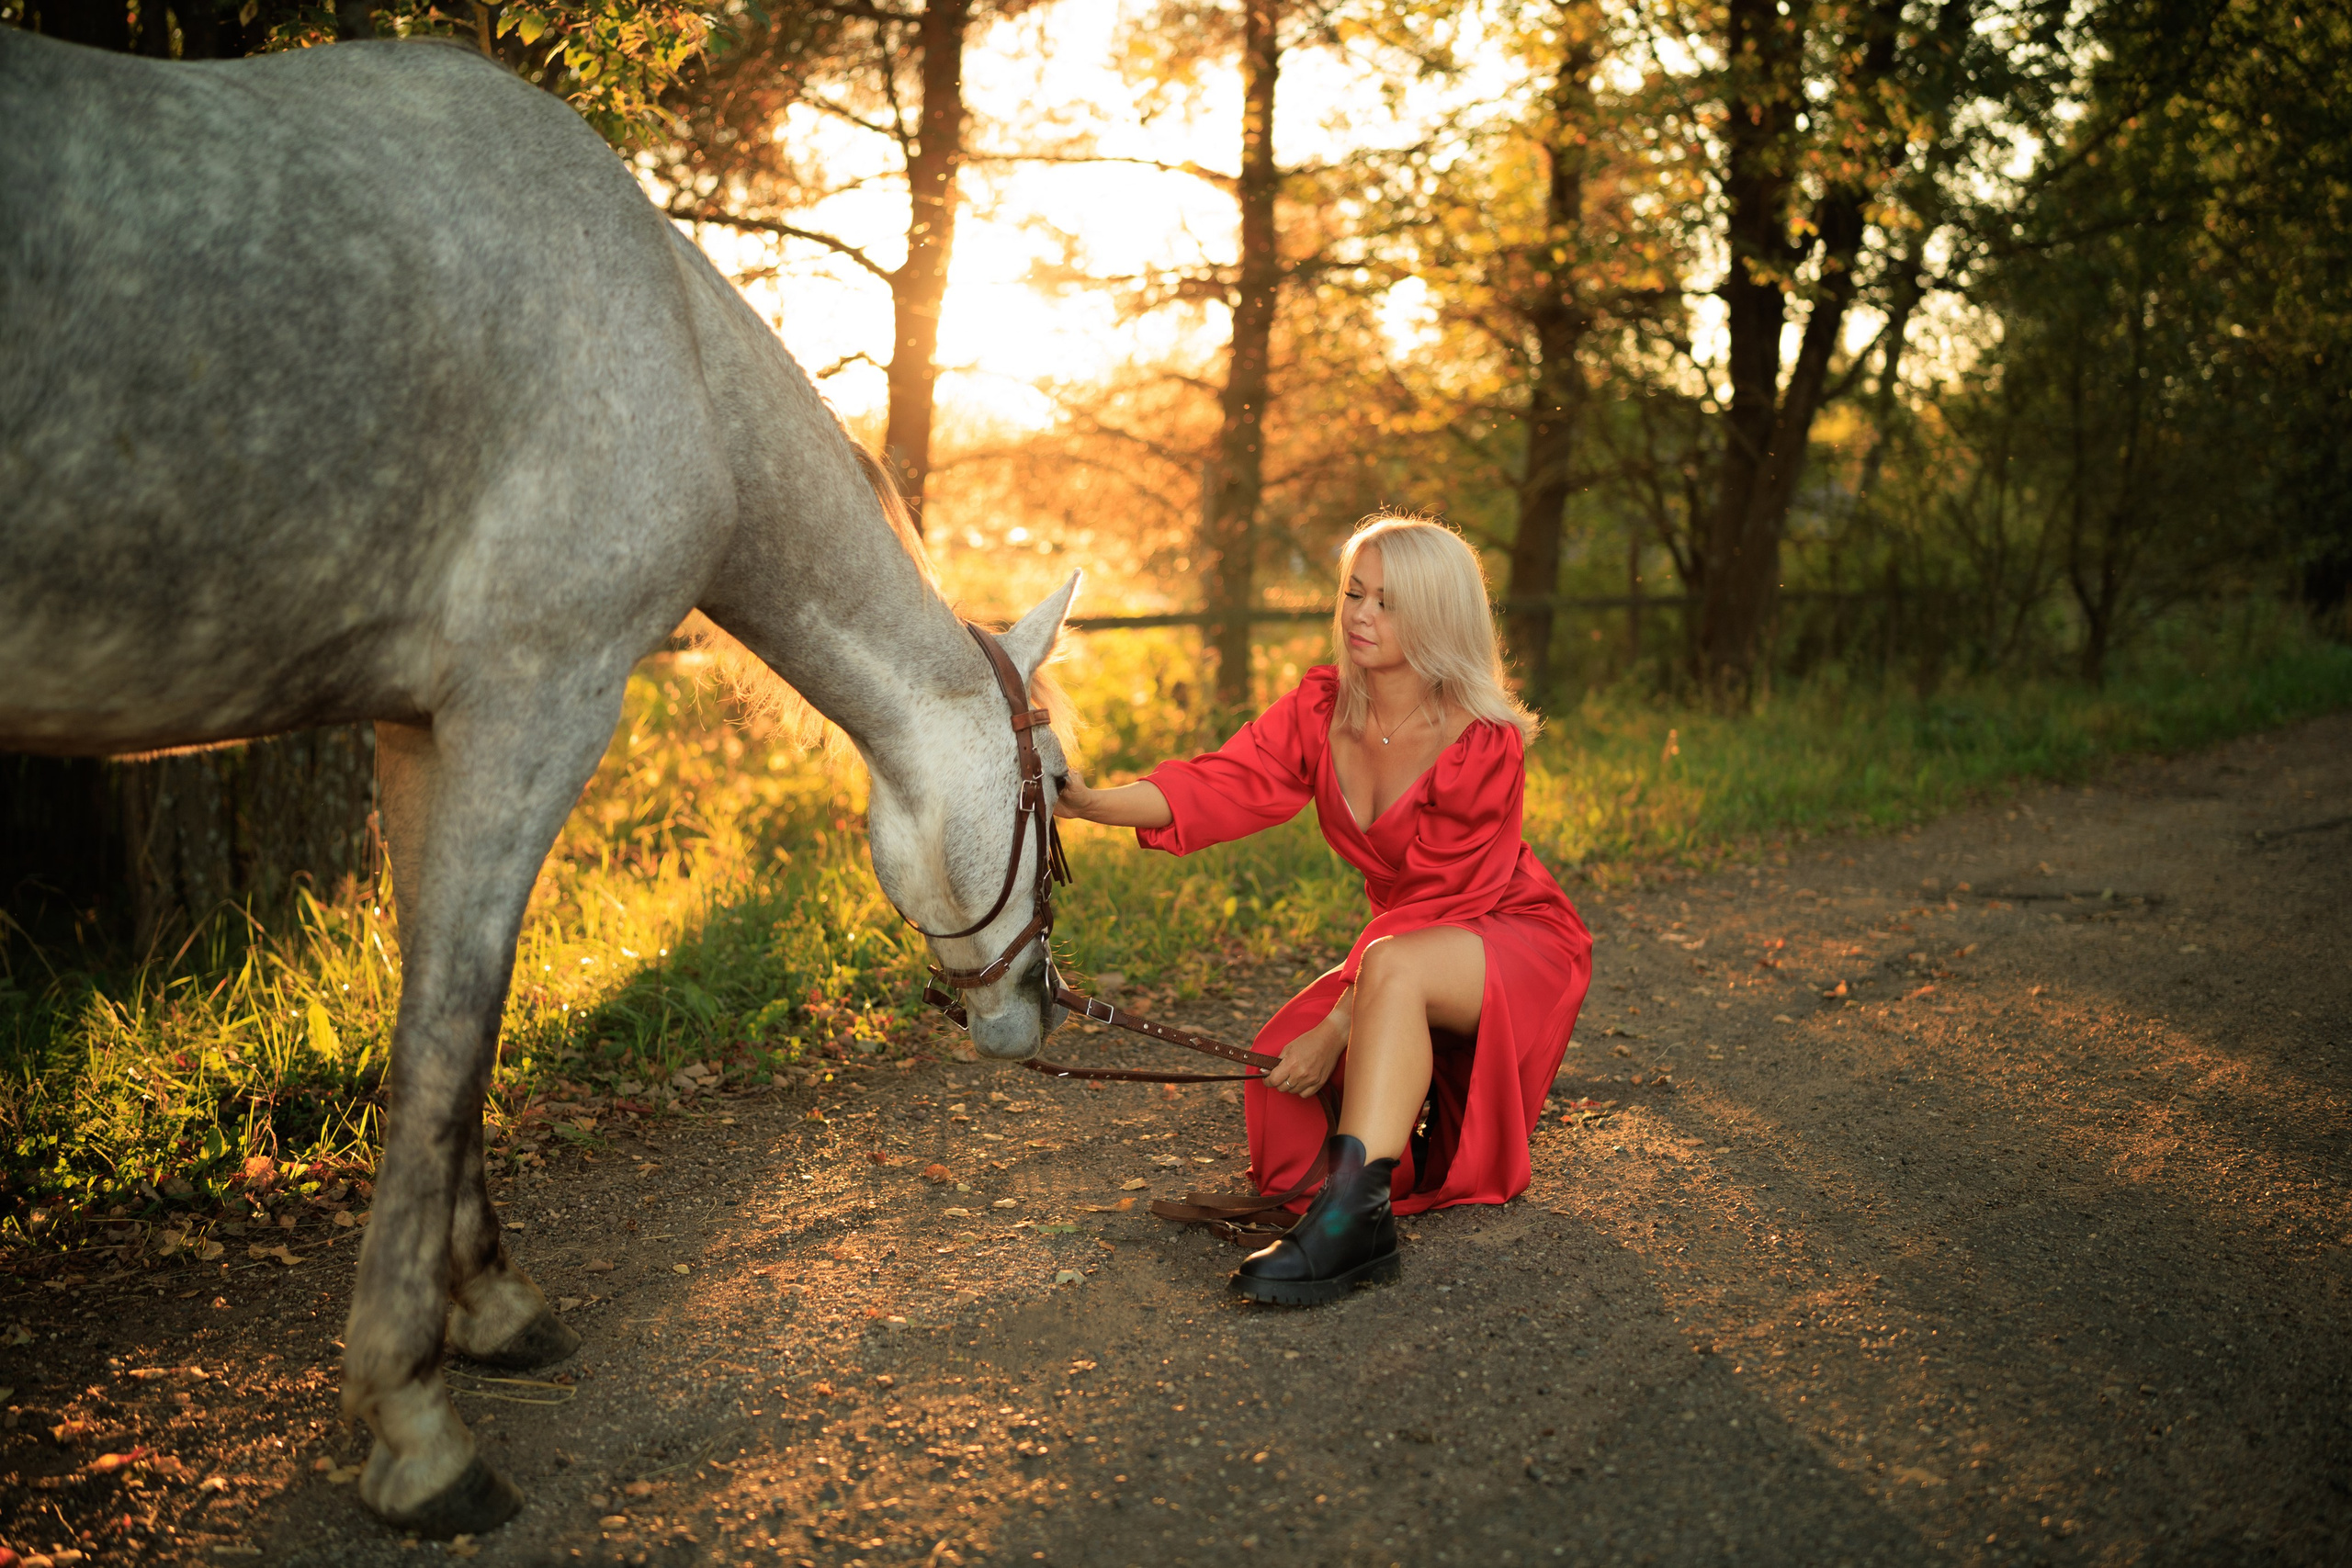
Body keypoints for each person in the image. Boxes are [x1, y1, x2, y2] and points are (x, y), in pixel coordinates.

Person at [1052, 515, 1592, 1305]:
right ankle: (1357, 1180)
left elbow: (1447, 896)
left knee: (1384, 975)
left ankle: (1354, 1226)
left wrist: (1340, 1021)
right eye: (1355, 591)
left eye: (1390, 602)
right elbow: (1221, 782)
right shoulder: (1323, 707)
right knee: (1280, 1077)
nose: (1361, 614)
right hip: (1399, 944)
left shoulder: (1481, 741)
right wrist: (1091, 802)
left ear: (1439, 616)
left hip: (1507, 933)